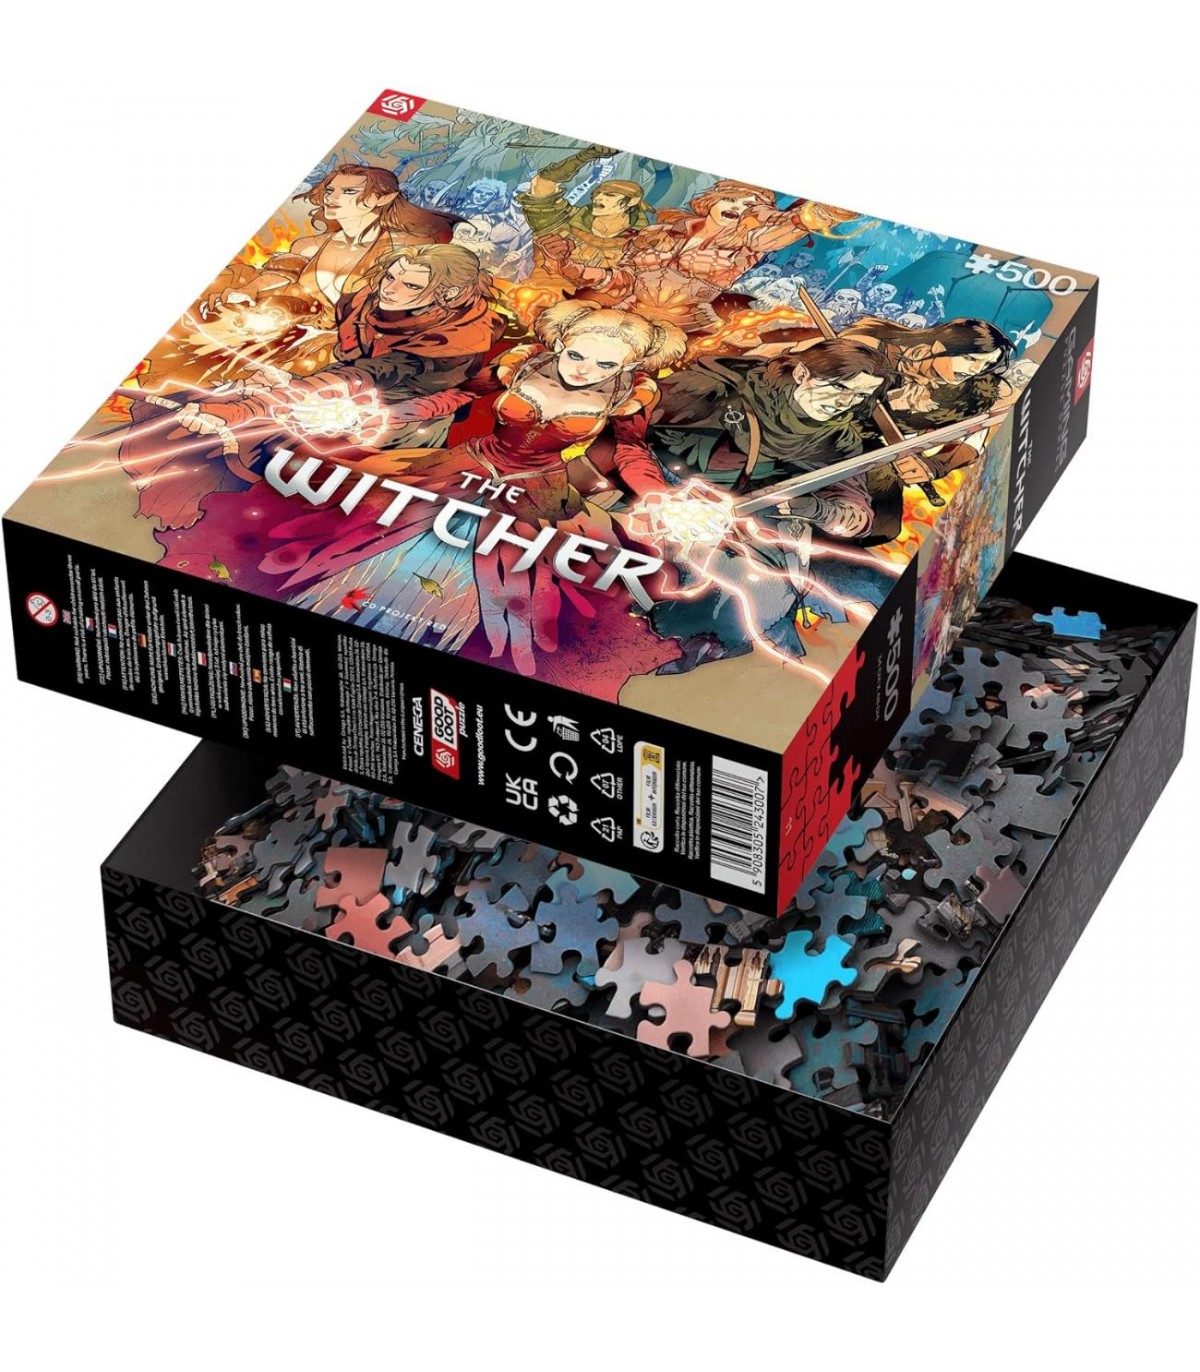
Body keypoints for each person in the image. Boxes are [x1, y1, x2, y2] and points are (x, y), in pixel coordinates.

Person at [248, 301, 688, 674]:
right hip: (466, 464)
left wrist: (658, 496)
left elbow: (631, 451)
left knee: (502, 580)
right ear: (559, 342)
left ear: (630, 366)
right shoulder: (524, 363)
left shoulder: (629, 395)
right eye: (576, 355)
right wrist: (387, 414)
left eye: (606, 365)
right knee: (375, 531)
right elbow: (458, 395)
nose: (584, 370)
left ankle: (426, 649)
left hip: (536, 490)